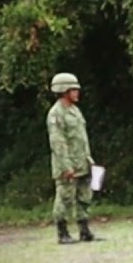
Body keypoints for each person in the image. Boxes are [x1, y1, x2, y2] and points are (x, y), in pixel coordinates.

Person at [46, 72, 95, 245]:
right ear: (64, 90)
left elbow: (81, 138)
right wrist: (66, 166)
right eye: (73, 89)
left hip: (82, 162)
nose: (77, 92)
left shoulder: (75, 111)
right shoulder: (56, 114)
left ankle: (84, 230)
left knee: (84, 196)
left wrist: (89, 159)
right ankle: (62, 232)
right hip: (67, 164)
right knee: (65, 198)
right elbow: (58, 142)